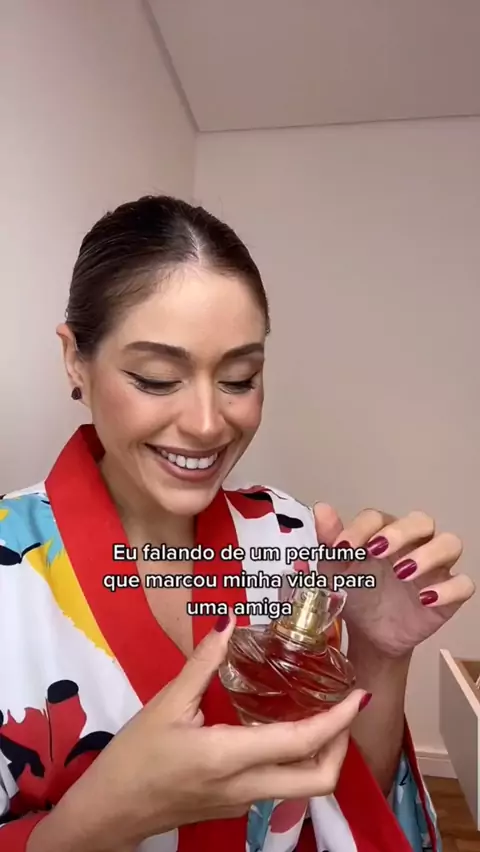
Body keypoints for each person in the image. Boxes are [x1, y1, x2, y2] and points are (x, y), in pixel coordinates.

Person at [0, 196, 474, 852]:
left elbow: (342, 801)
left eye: (239, 378)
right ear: (75, 359)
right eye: (157, 378)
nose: (206, 424)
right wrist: (98, 818)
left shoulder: (286, 535)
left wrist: (381, 656)